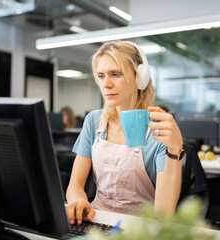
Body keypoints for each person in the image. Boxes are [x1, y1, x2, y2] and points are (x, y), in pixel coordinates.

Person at [65, 41, 185, 225]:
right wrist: (79, 202)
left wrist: (175, 149)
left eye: (115, 74)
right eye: (101, 76)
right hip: (96, 222)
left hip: (140, 230)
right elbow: (75, 185)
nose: (106, 84)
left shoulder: (159, 128)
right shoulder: (94, 121)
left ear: (139, 78)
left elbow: (164, 213)